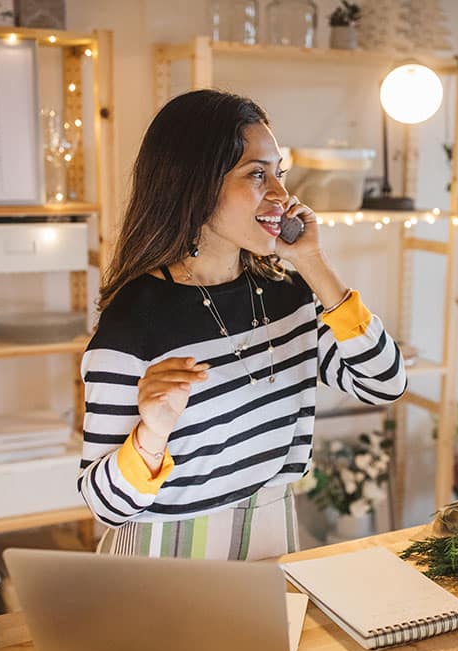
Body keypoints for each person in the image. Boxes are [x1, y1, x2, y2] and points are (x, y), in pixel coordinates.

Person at [78, 89, 406, 560]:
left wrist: (314, 264)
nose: (281, 195)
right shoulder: (135, 320)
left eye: (280, 173)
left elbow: (385, 384)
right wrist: (150, 433)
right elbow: (104, 505)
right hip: (163, 563)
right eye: (257, 174)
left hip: (273, 541)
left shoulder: (290, 295)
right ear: (195, 185)